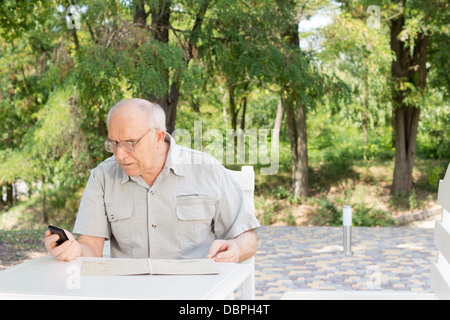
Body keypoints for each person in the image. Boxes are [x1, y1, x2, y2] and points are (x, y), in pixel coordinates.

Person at [45, 98, 260, 263]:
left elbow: (247, 237)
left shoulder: (207, 170)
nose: (119, 155)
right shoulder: (102, 176)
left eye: (130, 143)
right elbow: (90, 247)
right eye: (113, 143)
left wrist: (236, 249)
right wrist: (73, 250)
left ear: (158, 138)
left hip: (194, 292)